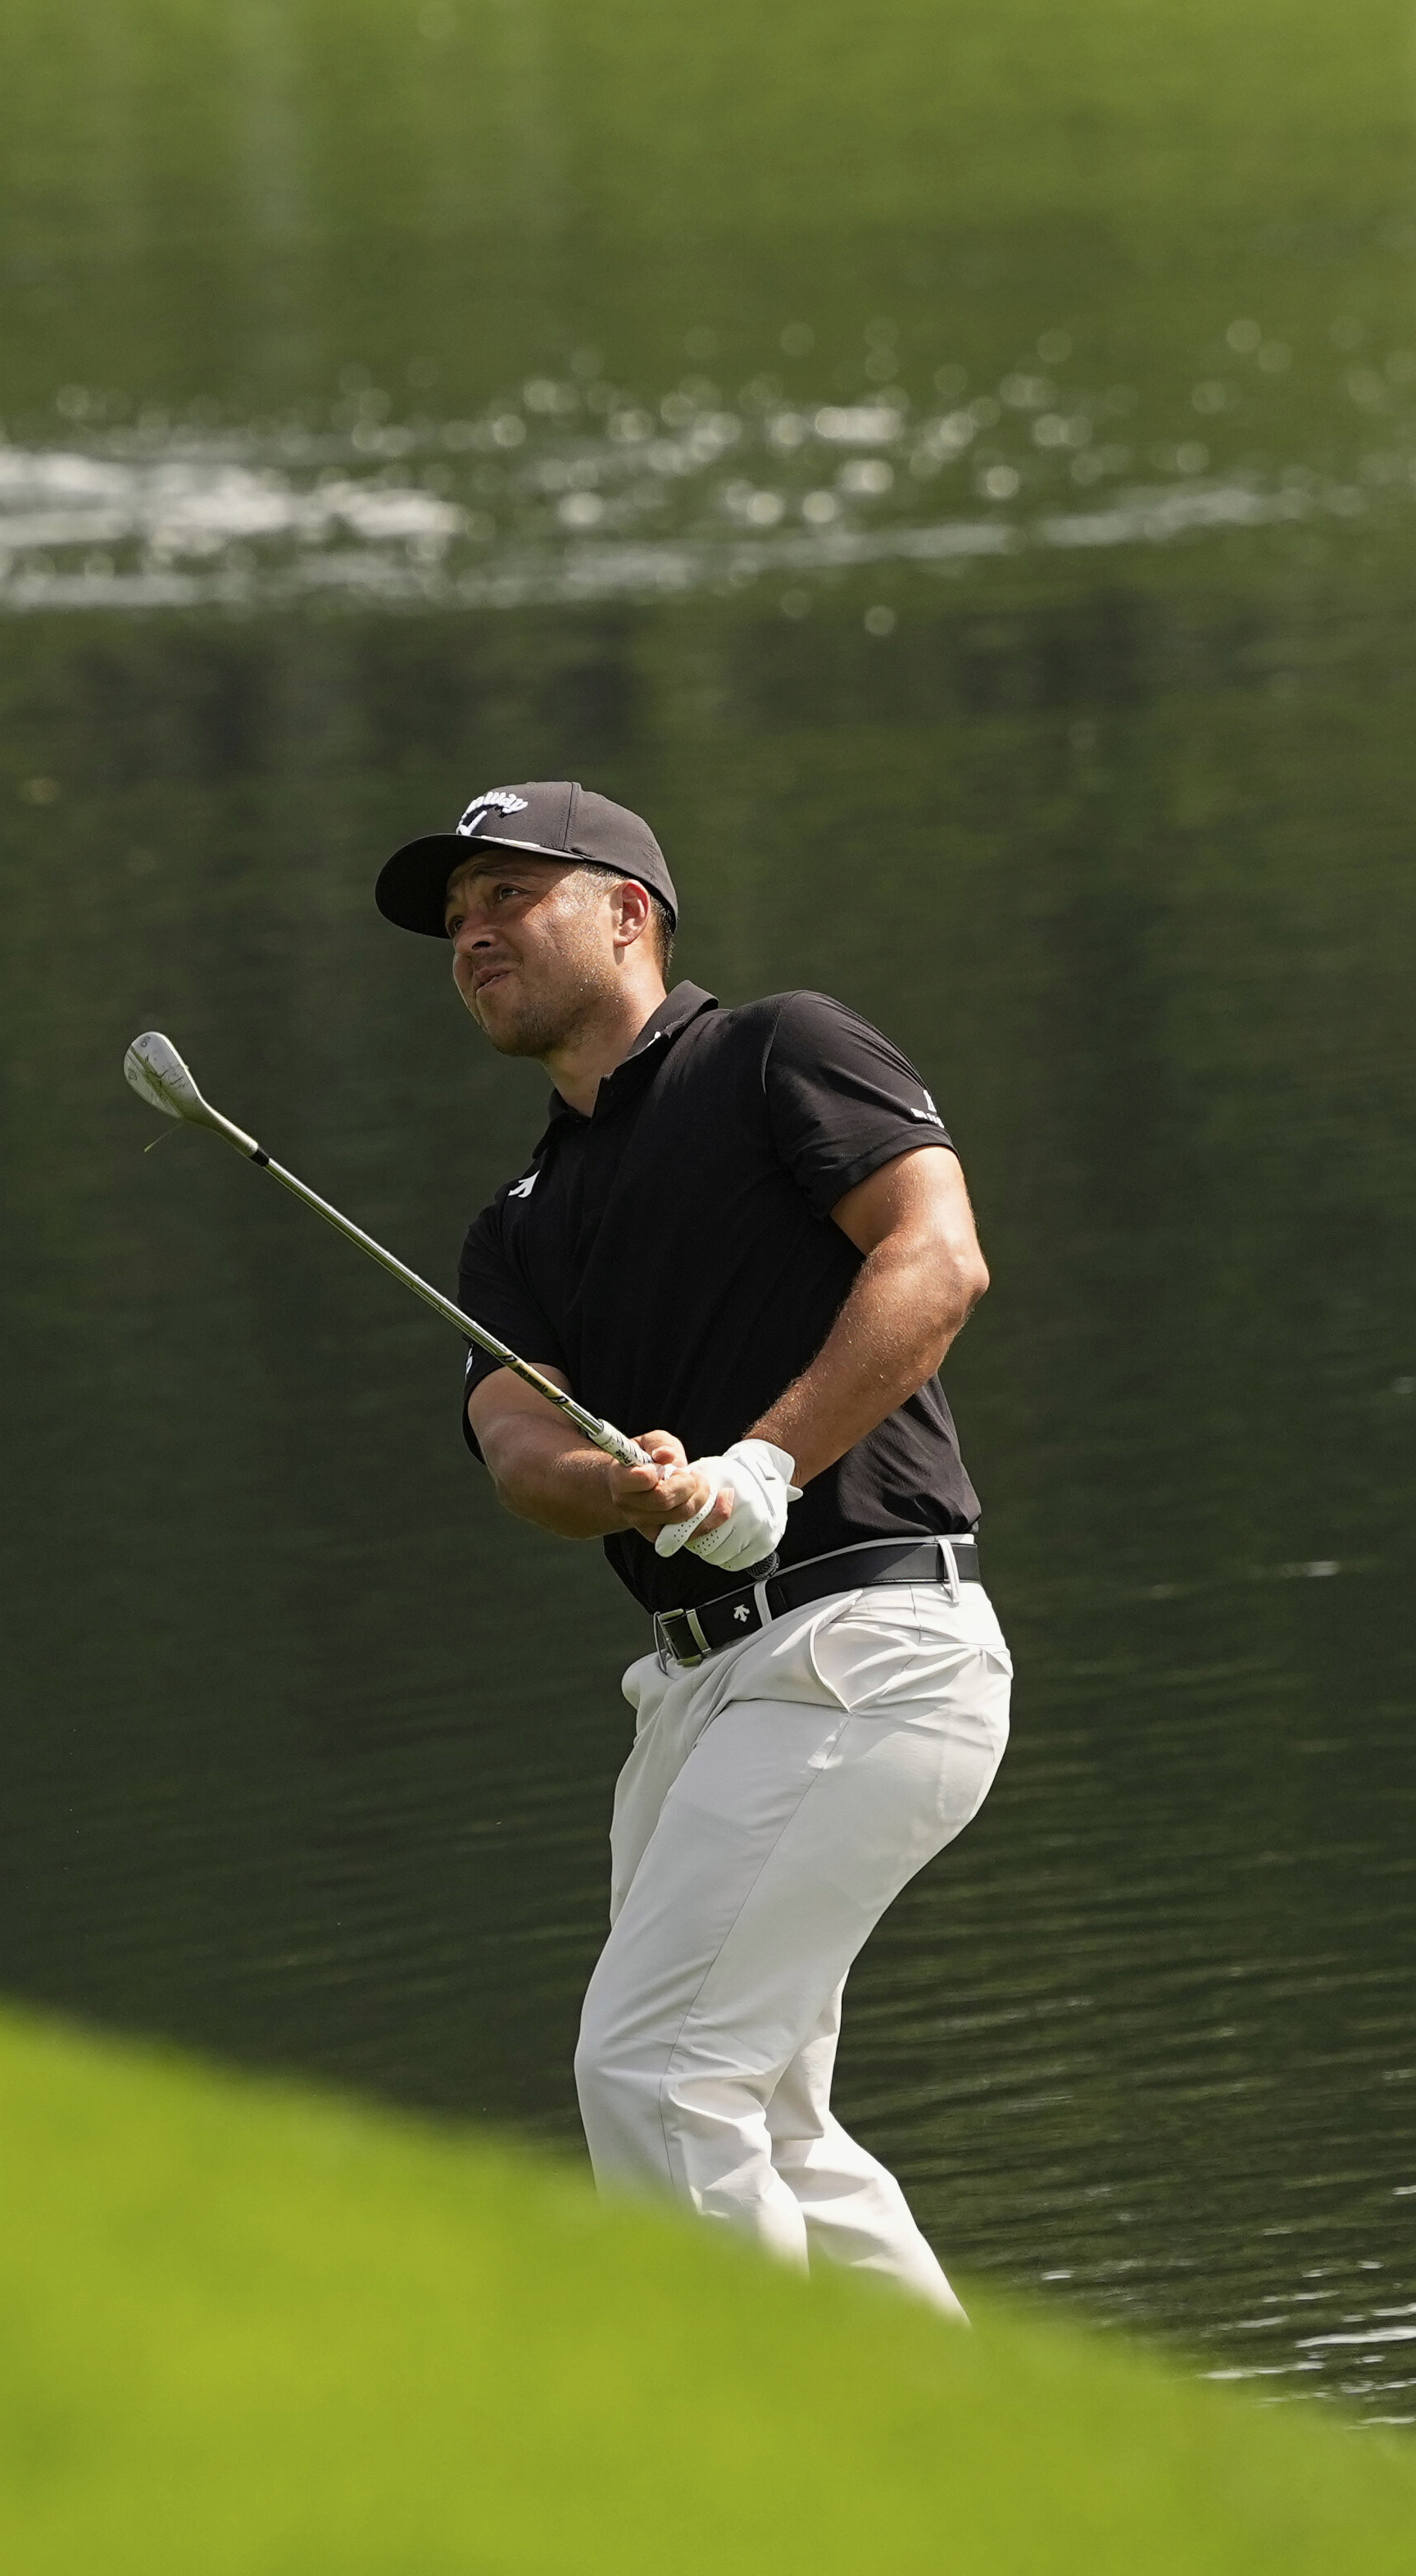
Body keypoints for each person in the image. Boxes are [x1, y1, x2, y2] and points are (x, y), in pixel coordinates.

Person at [381, 777, 1010, 2314]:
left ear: (626, 912)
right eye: (455, 923)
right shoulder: (514, 1223)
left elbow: (936, 1259)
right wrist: (628, 1490)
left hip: (865, 1646)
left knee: (658, 2071)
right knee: (766, 2119)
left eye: (507, 900)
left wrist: (762, 1463)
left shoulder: (776, 1051)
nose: (472, 938)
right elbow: (520, 1451)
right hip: (695, 1700)